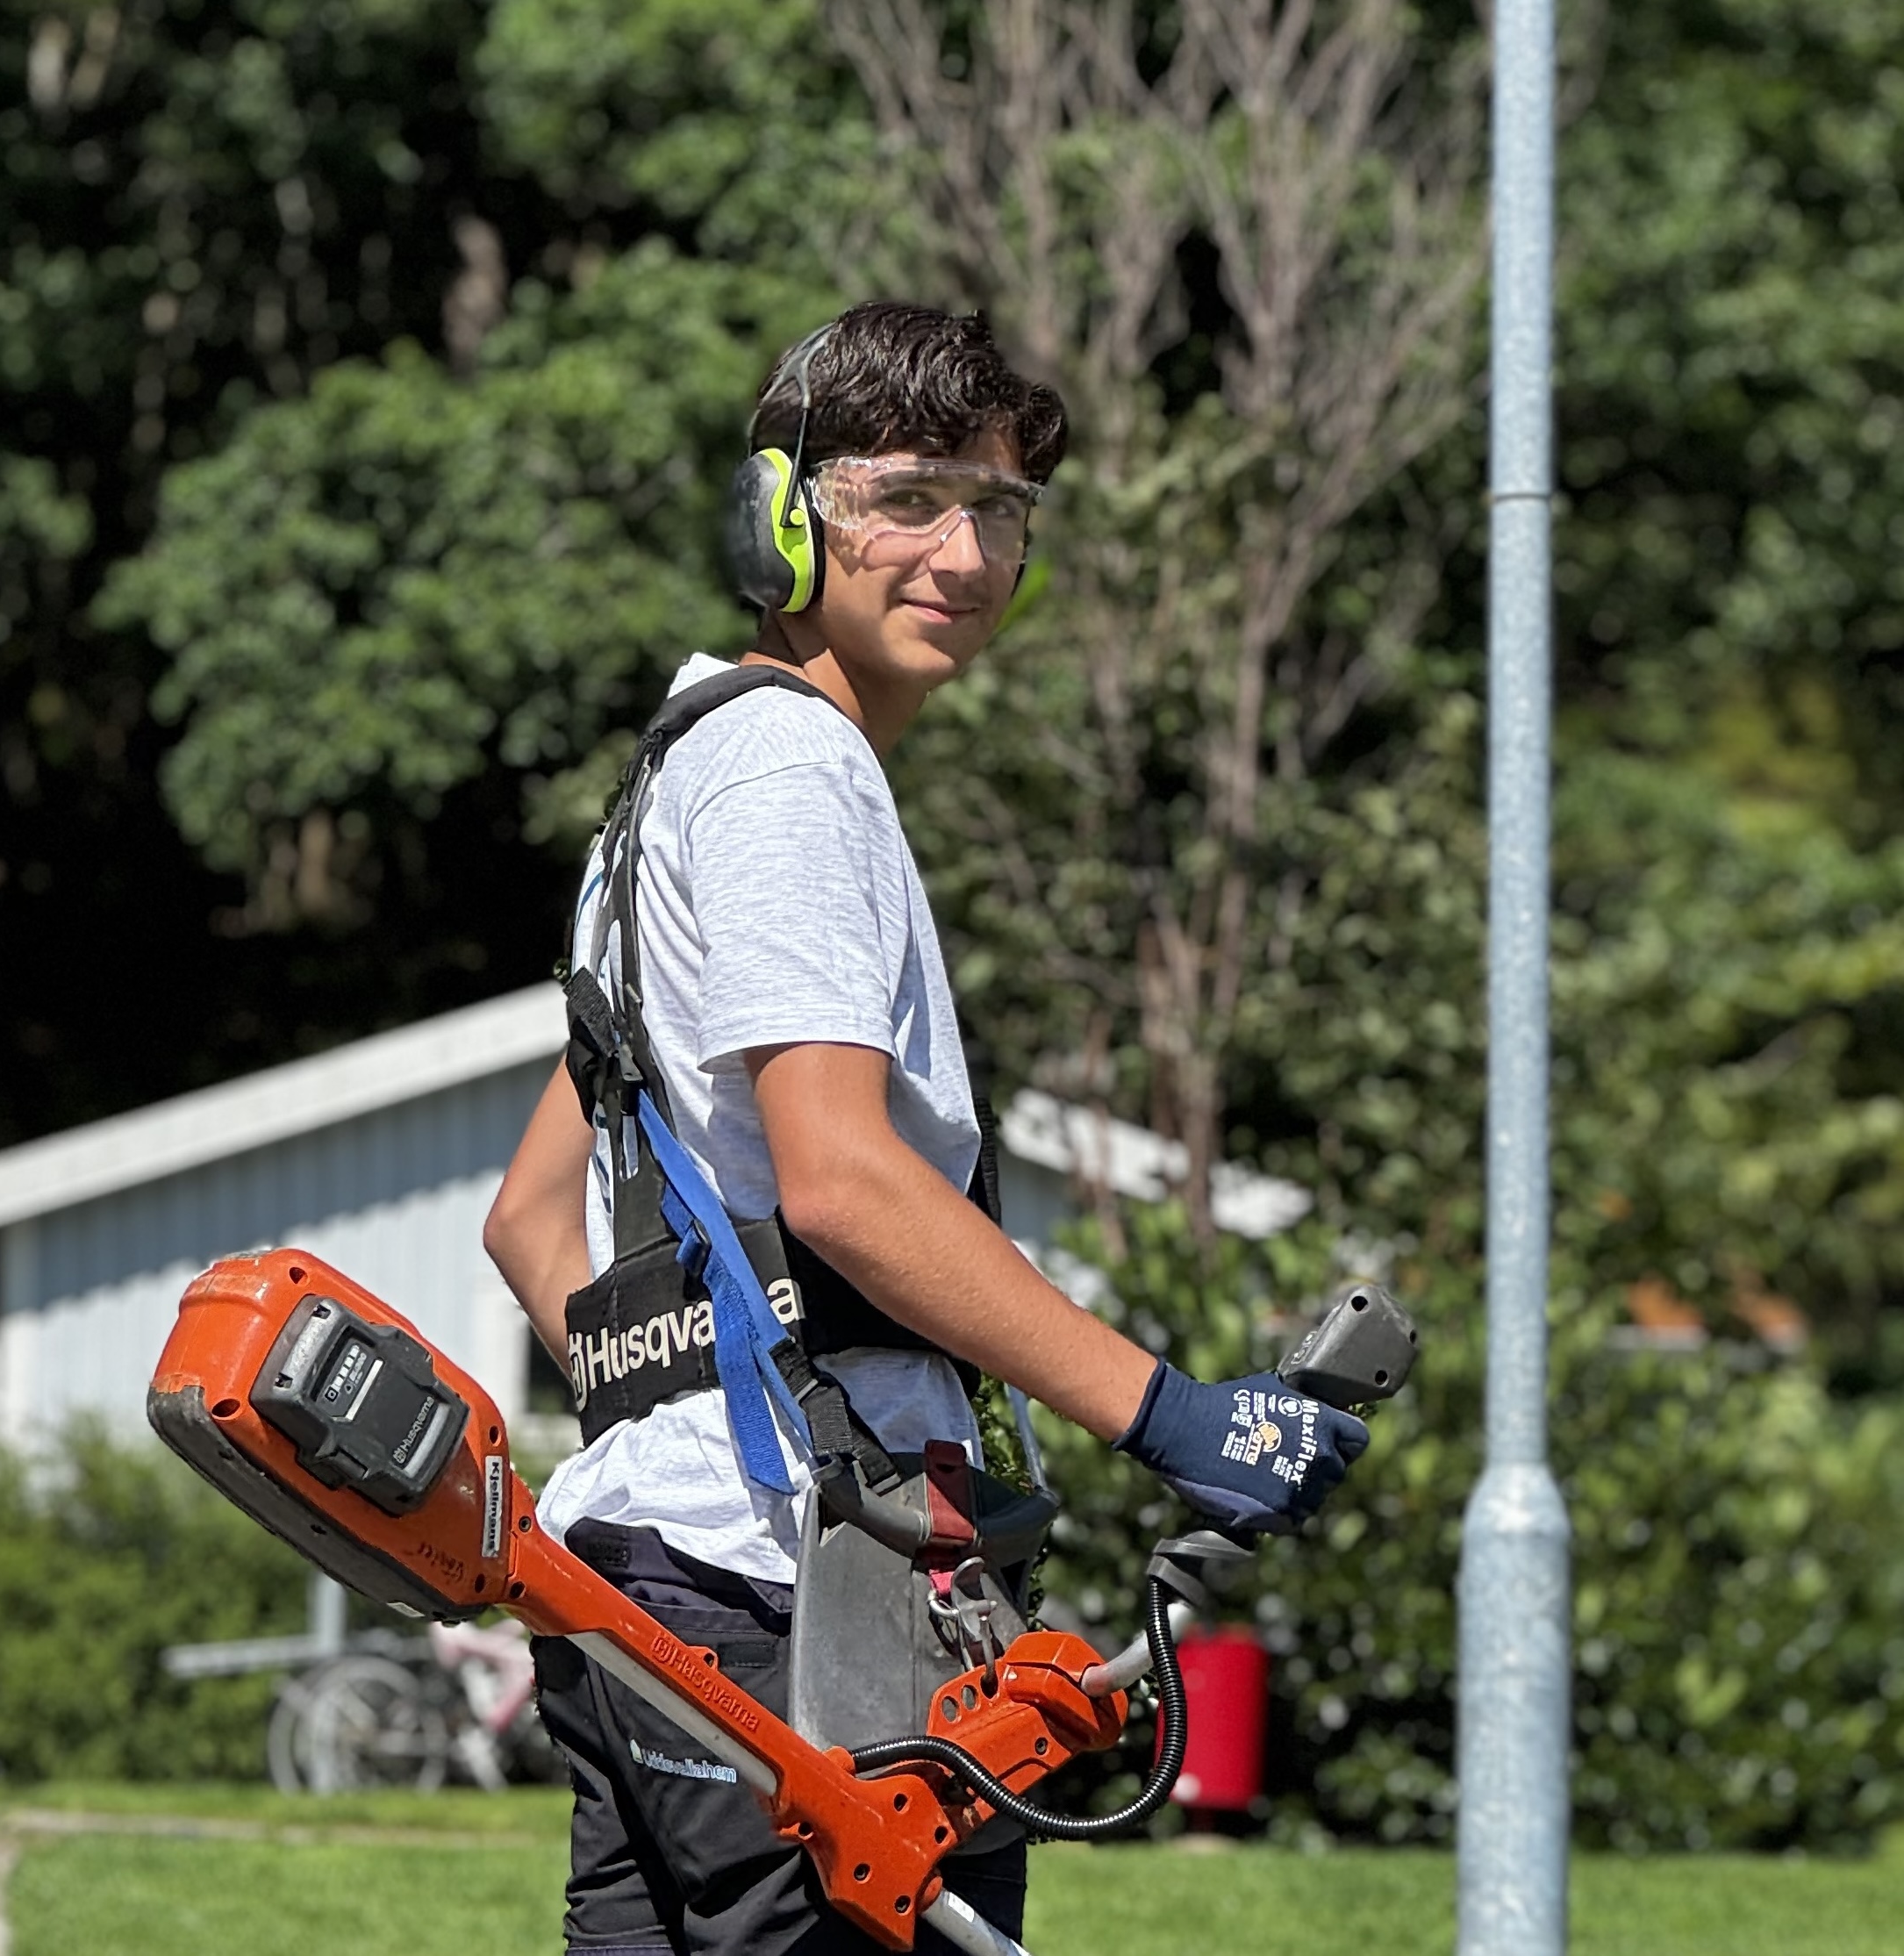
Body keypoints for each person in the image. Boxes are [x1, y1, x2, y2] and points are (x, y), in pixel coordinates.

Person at [481, 301, 1368, 1954]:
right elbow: (837, 1172)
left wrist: (719, 1377)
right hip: (786, 1604)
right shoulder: (791, 773)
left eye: (1003, 509)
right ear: (783, 515)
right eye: (908, 498)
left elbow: (535, 1216)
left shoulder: (667, 781)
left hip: (643, 1578)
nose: (963, 551)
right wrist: (1172, 1416)